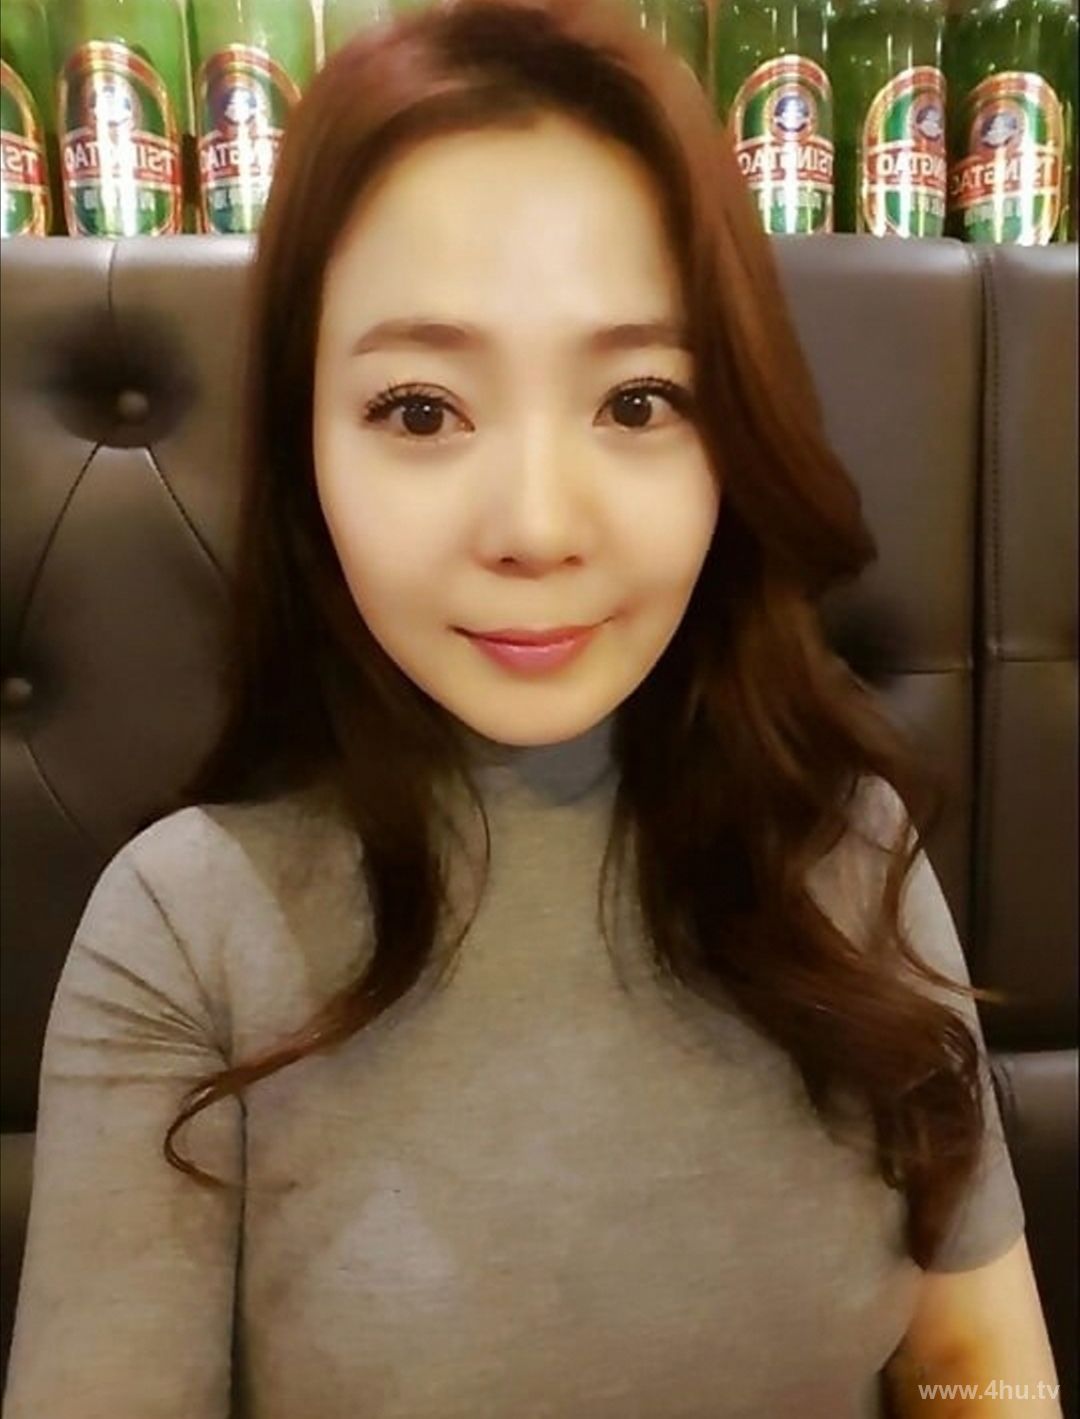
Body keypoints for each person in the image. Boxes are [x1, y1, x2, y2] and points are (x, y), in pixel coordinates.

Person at [3, 0, 1062, 1414]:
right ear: (306, 449)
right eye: (421, 410)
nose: (538, 528)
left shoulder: (846, 851)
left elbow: (972, 1368)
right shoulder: (191, 935)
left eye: (637, 402)